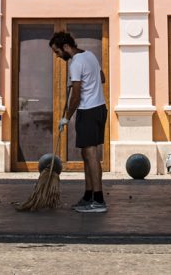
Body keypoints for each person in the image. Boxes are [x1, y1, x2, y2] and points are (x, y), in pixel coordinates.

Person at [50, 31, 107, 214]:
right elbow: (102, 78)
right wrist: (85, 81)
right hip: (100, 108)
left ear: (66, 47)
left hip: (88, 110)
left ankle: (98, 200)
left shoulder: (75, 63)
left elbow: (75, 96)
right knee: (87, 154)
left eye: (57, 52)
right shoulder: (90, 55)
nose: (57, 56)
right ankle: (88, 195)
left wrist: (66, 116)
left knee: (91, 156)